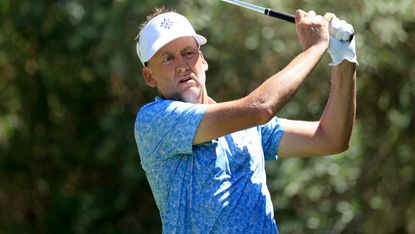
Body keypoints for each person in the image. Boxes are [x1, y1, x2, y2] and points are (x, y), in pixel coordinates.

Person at [134, 7, 357, 234]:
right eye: (167, 58)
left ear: (202, 61)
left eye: (188, 53)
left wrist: (344, 60)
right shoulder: (154, 121)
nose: (182, 65)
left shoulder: (245, 125)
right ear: (149, 76)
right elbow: (262, 107)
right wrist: (315, 47)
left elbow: (331, 138)